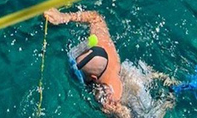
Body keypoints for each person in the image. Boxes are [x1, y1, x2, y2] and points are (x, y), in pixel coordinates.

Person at [43, 8, 177, 118]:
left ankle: (167, 103)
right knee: (140, 79)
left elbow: (124, 114)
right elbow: (95, 17)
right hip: (132, 74)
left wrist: (114, 111)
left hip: (128, 98)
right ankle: (163, 80)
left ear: (93, 78)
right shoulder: (105, 46)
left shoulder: (106, 96)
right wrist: (64, 17)